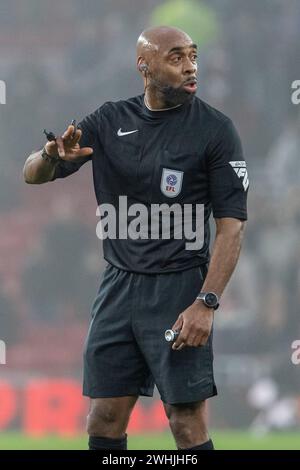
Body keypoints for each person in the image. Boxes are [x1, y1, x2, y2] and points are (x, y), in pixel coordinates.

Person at [23, 26, 249, 451]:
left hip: (180, 286)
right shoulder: (110, 121)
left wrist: (207, 302)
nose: (190, 66)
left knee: (185, 422)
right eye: (177, 57)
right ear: (144, 67)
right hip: (118, 286)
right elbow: (33, 175)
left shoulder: (216, 130)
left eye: (193, 56)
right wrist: (51, 156)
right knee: (104, 418)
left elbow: (232, 226)